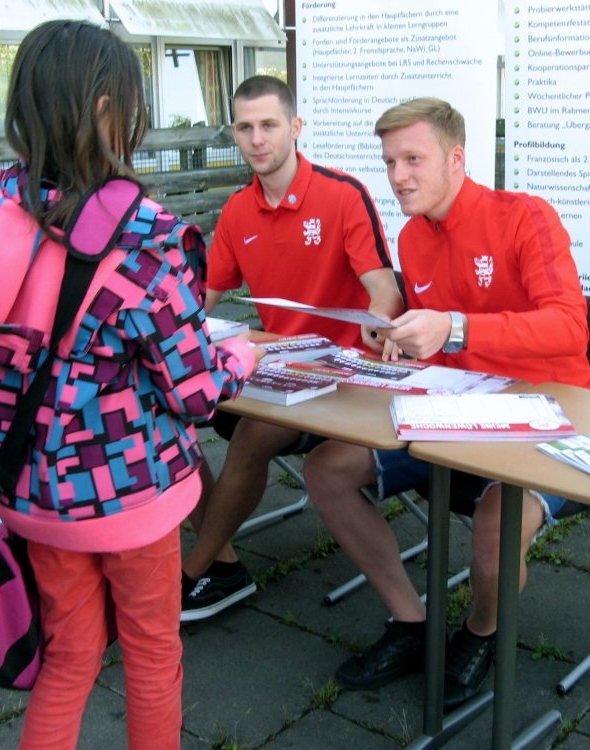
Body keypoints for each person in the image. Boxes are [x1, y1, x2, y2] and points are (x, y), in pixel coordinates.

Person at [0, 21, 260, 750]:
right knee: (152, 654)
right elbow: (195, 393)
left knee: (69, 657)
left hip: (29, 493)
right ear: (108, 109)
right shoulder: (146, 234)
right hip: (129, 495)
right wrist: (242, 357)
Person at [303, 98, 590, 710]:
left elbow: (570, 327)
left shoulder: (525, 216)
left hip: (543, 413)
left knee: (493, 527)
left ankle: (481, 631)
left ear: (456, 158)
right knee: (326, 468)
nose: (398, 175)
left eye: (413, 159)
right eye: (390, 162)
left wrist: (456, 328)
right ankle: (413, 621)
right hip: (450, 410)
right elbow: (433, 337)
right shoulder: (412, 237)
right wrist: (397, 339)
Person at [181, 75, 403, 620]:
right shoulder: (237, 210)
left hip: (345, 374)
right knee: (163, 411)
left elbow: (385, 287)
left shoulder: (341, 194)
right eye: (245, 127)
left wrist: (379, 319)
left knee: (254, 432)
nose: (257, 139)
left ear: (295, 127)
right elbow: (200, 301)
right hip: (278, 367)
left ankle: (190, 574)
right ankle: (221, 564)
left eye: (269, 125)